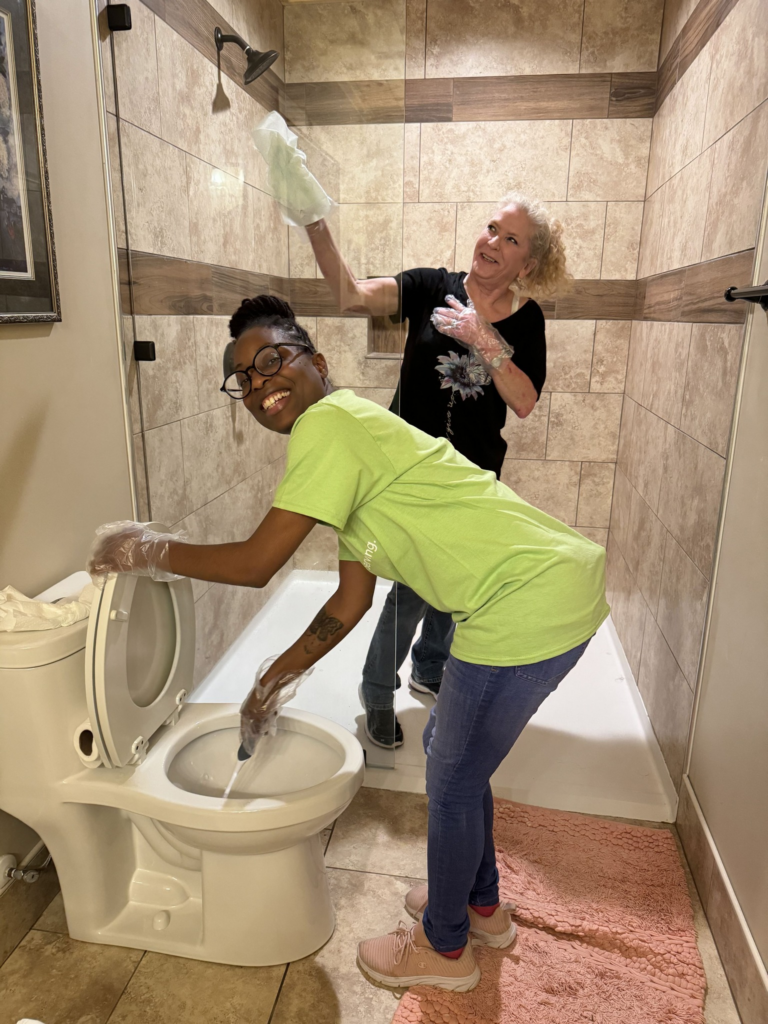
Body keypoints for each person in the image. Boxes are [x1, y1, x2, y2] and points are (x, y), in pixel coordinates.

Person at [88, 295, 608, 994]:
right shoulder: (352, 440)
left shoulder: (330, 423)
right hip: (539, 590)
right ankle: (479, 908)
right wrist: (272, 680)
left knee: (451, 774)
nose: (260, 382)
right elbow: (349, 601)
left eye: (273, 359)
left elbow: (254, 564)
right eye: (242, 377)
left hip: (524, 601)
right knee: (454, 760)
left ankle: (446, 948)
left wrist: (145, 549)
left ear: (317, 363)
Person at [301, 192, 570, 748]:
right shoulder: (430, 287)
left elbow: (522, 401)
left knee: (459, 582)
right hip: (406, 474)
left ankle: (429, 666)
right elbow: (351, 296)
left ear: (529, 264)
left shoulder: (528, 319)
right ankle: (377, 688)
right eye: (492, 228)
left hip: (472, 476)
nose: (492, 242)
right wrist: (314, 222)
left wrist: (484, 340)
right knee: (411, 589)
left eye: (510, 239)